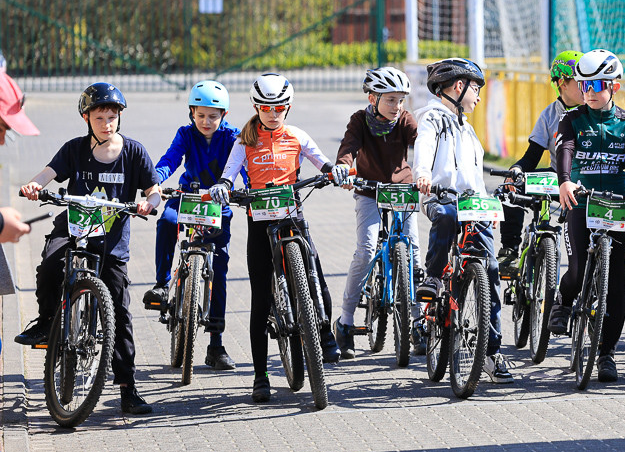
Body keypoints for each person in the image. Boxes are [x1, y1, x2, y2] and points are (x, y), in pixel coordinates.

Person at [16, 82, 162, 414]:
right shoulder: (75, 149)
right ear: (86, 118)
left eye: (112, 117)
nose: (107, 124)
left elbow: (154, 190)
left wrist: (148, 204)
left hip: (110, 242)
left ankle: (128, 388)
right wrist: (35, 185)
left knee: (119, 312)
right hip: (74, 228)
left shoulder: (134, 152)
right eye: (99, 118)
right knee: (49, 266)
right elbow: (49, 172)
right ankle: (46, 322)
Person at [210, 72, 344, 403]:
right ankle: (261, 375)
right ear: (256, 107)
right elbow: (228, 174)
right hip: (259, 223)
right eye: (266, 108)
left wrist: (335, 171)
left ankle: (324, 334)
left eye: (279, 107)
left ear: (288, 107)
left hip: (292, 215)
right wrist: (223, 187)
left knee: (316, 274)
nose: (273, 113)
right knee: (259, 300)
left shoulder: (297, 135)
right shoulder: (244, 141)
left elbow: (323, 163)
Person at [548, 49, 625, 383]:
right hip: (580, 201)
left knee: (615, 284)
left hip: (615, 204)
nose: (590, 92)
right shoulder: (571, 119)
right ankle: (563, 299)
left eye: (597, 85)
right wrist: (565, 181)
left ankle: (607, 353)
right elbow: (565, 150)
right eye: (585, 85)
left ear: (615, 86)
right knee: (579, 267)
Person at [412, 57, 513, 384]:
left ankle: (491, 351)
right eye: (476, 89)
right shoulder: (432, 118)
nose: (479, 97)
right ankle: (434, 277)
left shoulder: (468, 130)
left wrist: (488, 207)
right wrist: (423, 174)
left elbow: (475, 177)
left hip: (471, 204)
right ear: (459, 86)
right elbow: (424, 147)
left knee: (491, 270)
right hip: (441, 196)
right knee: (446, 215)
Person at [142, 80, 242, 371]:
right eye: (200, 115)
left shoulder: (233, 137)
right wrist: (154, 181)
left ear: (223, 115)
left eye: (212, 116)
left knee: (219, 268)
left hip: (218, 203)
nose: (206, 122)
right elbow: (170, 160)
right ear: (191, 113)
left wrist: (246, 191)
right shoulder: (185, 134)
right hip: (186, 197)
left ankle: (216, 344)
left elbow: (243, 167)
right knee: (167, 221)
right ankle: (162, 285)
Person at [333, 67, 422, 359]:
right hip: (369, 190)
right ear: (373, 98)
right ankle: (345, 322)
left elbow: (423, 143)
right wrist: (343, 168)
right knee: (366, 249)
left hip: (402, 190)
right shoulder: (359, 120)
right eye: (391, 99)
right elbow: (348, 147)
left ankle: (418, 322)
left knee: (414, 252)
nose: (397, 106)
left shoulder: (405, 120)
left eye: (401, 100)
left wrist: (428, 169)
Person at [496, 50, 585, 275]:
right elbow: (532, 157)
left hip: (587, 180)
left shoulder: (594, 111)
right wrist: (516, 170)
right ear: (562, 83)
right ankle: (509, 250)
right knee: (511, 185)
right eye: (581, 82)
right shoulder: (549, 115)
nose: (587, 88)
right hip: (558, 177)